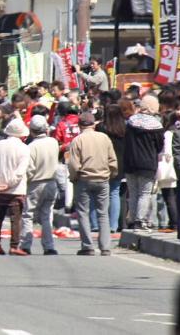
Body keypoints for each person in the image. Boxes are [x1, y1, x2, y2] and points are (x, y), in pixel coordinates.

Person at [69, 112, 117, 256]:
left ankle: (88, 246)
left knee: (83, 213)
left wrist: (74, 177)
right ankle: (105, 247)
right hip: (103, 179)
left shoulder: (77, 140)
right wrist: (111, 174)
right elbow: (112, 160)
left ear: (79, 125)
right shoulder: (104, 138)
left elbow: (73, 164)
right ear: (94, 124)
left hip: (84, 179)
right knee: (103, 213)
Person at [0, 118, 31, 256]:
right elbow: (20, 171)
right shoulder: (24, 148)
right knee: (15, 219)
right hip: (15, 189)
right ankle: (14, 246)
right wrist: (9, 183)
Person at [123, 94, 164, 231]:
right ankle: (140, 221)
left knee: (133, 192)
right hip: (147, 163)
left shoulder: (131, 121)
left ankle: (131, 219)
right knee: (145, 193)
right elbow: (160, 147)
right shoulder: (156, 125)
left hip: (130, 162)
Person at [20, 115, 59, 255]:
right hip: (51, 181)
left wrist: (26, 182)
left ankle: (25, 244)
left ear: (31, 131)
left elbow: (29, 169)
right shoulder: (54, 142)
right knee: (47, 215)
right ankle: (49, 246)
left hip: (36, 183)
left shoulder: (31, 147)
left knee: (28, 214)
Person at [96, 104, 127, 232]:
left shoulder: (101, 127)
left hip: (104, 162)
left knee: (102, 194)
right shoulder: (124, 128)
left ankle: (101, 223)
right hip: (120, 163)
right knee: (114, 193)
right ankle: (113, 225)